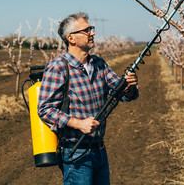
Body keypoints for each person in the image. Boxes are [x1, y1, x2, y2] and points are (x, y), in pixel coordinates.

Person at [37, 12, 139, 185]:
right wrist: (79, 123)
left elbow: (123, 94)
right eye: (86, 30)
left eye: (91, 29)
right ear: (71, 38)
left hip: (99, 150)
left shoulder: (99, 64)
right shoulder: (58, 68)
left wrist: (130, 86)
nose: (92, 33)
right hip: (76, 153)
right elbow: (45, 110)